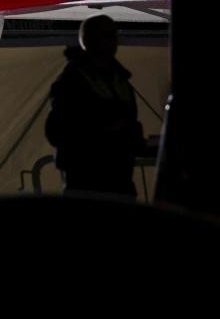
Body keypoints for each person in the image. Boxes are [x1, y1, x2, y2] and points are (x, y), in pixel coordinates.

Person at [44, 14, 145, 197]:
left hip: (119, 181)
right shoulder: (72, 82)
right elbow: (57, 131)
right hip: (86, 184)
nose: (115, 41)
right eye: (107, 35)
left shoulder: (118, 79)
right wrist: (105, 131)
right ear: (90, 40)